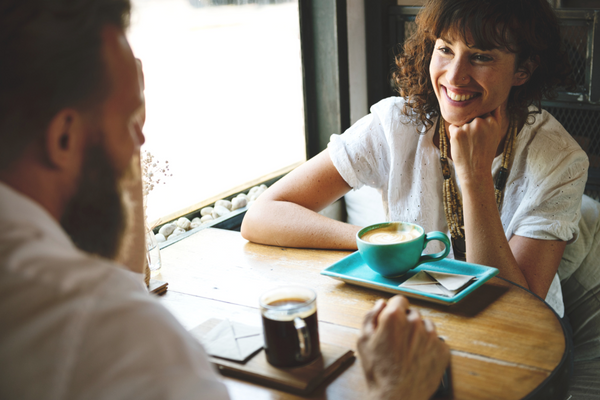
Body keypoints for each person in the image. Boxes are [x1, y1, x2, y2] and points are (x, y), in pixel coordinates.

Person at [0, 1, 449, 399]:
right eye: (130, 123)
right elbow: (107, 306)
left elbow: (113, 285)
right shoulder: (125, 338)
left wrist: (118, 119)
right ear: (63, 138)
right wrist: (396, 391)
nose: (141, 144)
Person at [241, 0, 589, 318]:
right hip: (415, 319)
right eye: (445, 49)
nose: (454, 76)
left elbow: (517, 310)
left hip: (525, 341)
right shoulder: (397, 124)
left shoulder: (561, 160)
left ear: (522, 70)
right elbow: (261, 216)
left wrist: (474, 175)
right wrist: (384, 242)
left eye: (481, 56)